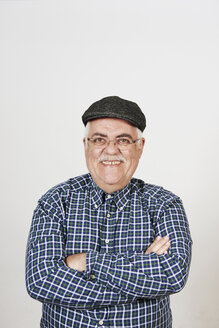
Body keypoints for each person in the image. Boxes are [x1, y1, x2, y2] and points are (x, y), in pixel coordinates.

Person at [26, 96, 192, 328]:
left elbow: (172, 275)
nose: (111, 150)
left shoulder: (165, 204)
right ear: (86, 144)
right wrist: (141, 277)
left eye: (123, 140)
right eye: (99, 139)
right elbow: (41, 281)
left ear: (140, 146)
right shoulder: (55, 202)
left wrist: (86, 261)